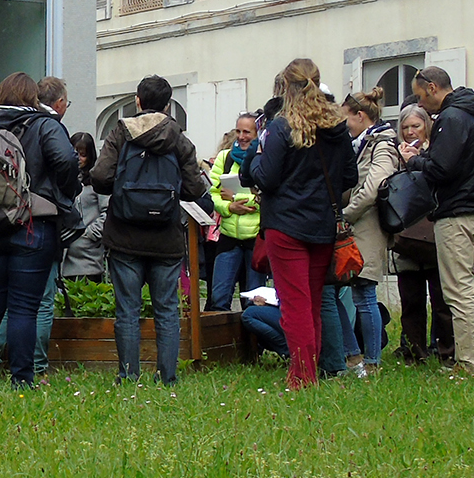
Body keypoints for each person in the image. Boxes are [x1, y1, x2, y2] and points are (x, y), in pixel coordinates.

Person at [0, 73, 81, 389]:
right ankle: (22, 380)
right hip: (33, 227)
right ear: (32, 98)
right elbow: (66, 159)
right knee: (24, 307)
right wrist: (62, 193)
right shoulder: (44, 125)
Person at [241, 59, 357, 389]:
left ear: (286, 88)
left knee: (294, 305)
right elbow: (350, 175)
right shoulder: (336, 127)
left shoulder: (281, 127)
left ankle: (302, 378)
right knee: (313, 302)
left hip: (286, 225)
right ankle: (311, 372)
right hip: (322, 224)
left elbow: (266, 177)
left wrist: (257, 157)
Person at [89, 76, 207, 385]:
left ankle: (128, 376)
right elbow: (195, 189)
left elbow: (100, 177)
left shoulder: (120, 132)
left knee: (127, 310)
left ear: (137, 101)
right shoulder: (179, 138)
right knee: (167, 310)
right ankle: (167, 377)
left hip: (124, 234)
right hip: (166, 237)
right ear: (168, 105)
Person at [399, 66, 474, 377]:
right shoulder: (472, 115)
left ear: (434, 87)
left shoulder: (451, 118)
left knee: (457, 290)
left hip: (456, 211)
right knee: (462, 288)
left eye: (423, 97)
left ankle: (469, 363)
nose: (421, 104)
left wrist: (414, 161)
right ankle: (471, 357)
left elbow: (442, 168)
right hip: (471, 206)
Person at [339, 87, 398, 376]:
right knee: (334, 292)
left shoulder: (382, 145)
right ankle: (353, 356)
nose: (344, 125)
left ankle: (371, 363)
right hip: (352, 229)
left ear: (360, 116)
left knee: (365, 295)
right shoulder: (359, 144)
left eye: (347, 119)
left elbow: (373, 187)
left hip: (368, 227)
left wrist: (346, 214)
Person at [390, 105, 455, 364]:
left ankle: (445, 350)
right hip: (406, 236)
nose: (409, 132)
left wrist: (416, 159)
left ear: (426, 126)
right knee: (410, 298)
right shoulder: (395, 154)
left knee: (441, 299)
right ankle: (414, 350)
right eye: (405, 127)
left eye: (415, 126)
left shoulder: (435, 152)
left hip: (432, 234)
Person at [207, 115, 263, 311]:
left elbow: (266, 197)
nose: (241, 137)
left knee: (254, 301)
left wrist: (237, 198)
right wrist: (229, 207)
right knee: (218, 297)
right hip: (229, 236)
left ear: (257, 134)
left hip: (256, 238)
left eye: (247, 132)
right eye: (238, 131)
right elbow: (213, 195)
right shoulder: (225, 157)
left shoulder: (264, 158)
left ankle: (252, 341)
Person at [62, 133, 107, 283]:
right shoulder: (62, 179)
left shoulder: (97, 181)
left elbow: (108, 213)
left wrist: (89, 234)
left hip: (88, 259)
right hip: (63, 258)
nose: (79, 158)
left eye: (83, 154)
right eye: (75, 153)